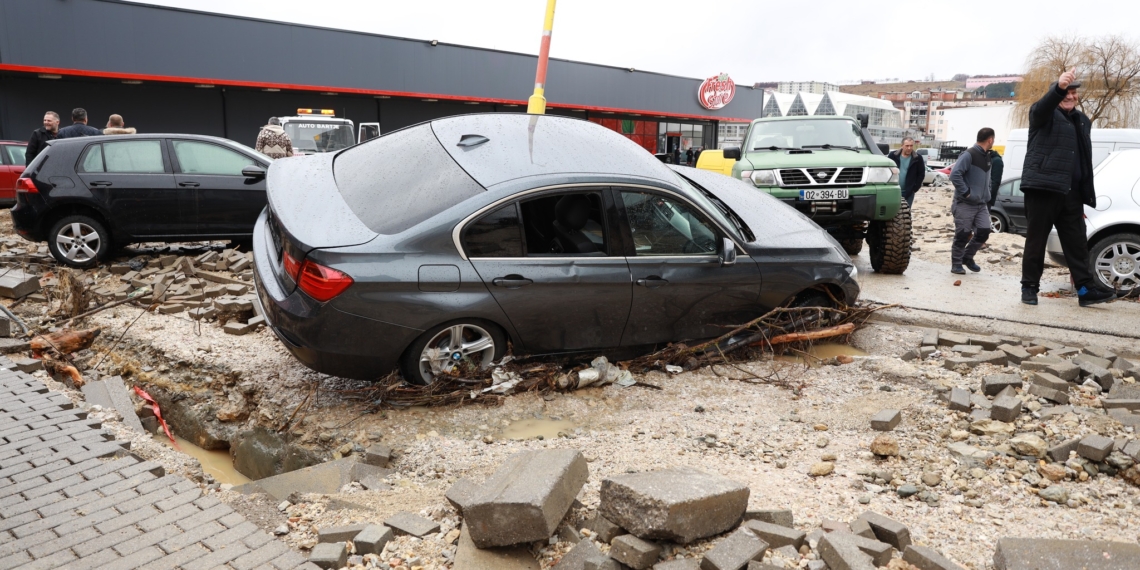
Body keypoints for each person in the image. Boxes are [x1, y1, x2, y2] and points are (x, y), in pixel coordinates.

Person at [1020, 68, 1115, 307]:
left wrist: (1084, 191)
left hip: (1071, 193)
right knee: (1036, 241)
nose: (1070, 96)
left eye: (1073, 93)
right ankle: (1029, 288)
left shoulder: (1083, 120)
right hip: (1043, 189)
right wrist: (1059, 87)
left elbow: (1083, 157)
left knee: (1077, 244)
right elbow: (1041, 107)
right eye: (1066, 92)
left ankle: (1085, 290)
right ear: (1057, 93)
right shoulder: (1044, 114)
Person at [948, 128, 996, 275]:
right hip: (965, 203)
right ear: (990, 140)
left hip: (981, 204)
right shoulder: (969, 154)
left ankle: (967, 257)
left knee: (984, 231)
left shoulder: (987, 156)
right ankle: (956, 264)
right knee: (963, 234)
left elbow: (986, 179)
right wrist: (967, 193)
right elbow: (955, 175)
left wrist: (987, 193)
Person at [887, 137, 925, 207]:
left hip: (909, 192)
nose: (909, 148)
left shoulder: (917, 158)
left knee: (906, 213)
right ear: (902, 146)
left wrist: (915, 188)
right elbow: (886, 171)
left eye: (911, 146)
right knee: (892, 212)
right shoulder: (893, 155)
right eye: (907, 146)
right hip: (893, 190)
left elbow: (921, 174)